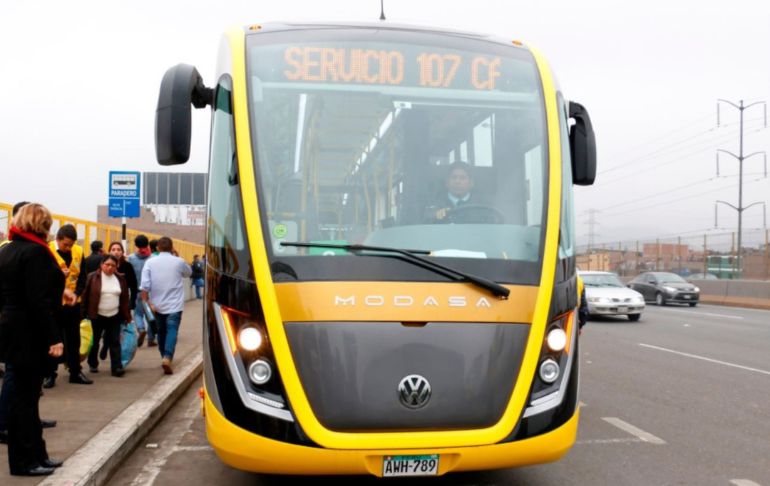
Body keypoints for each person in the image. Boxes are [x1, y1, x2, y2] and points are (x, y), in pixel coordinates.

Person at [0, 203, 68, 476]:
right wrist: (54, 338)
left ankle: (37, 455)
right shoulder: (37, 253)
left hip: (12, 330)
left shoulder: (7, 250)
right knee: (25, 401)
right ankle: (26, 461)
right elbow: (39, 301)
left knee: (23, 398)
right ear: (42, 224)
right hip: (31, 334)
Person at [43, 224, 92, 387]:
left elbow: (82, 277)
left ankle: (75, 372)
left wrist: (77, 294)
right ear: (57, 239)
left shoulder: (78, 251)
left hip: (73, 304)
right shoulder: (46, 250)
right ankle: (50, 374)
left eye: (71, 244)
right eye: (65, 244)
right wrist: (55, 275)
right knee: (53, 339)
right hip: (53, 304)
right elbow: (40, 278)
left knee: (74, 339)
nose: (68, 248)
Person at [140, 237, 191, 375]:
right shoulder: (179, 262)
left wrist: (147, 302)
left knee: (161, 331)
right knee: (172, 329)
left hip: (156, 305)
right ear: (172, 247)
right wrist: (177, 256)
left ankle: (164, 355)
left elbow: (144, 285)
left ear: (157, 248)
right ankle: (168, 357)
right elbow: (189, 273)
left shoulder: (150, 262)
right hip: (175, 305)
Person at [81, 255, 132, 377]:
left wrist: (127, 315)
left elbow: (125, 298)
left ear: (116, 266)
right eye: (107, 265)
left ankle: (116, 367)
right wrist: (82, 314)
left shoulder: (120, 279)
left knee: (114, 341)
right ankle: (93, 363)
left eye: (113, 265)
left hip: (114, 315)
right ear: (101, 265)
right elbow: (84, 296)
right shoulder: (92, 277)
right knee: (95, 342)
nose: (110, 267)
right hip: (96, 315)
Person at [128, 234, 155, 347]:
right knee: (150, 314)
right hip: (150, 291)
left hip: (136, 290)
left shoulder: (131, 258)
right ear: (147, 244)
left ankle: (140, 328)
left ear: (136, 245)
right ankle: (151, 339)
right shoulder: (153, 259)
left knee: (138, 313)